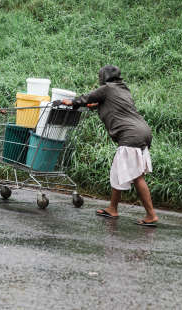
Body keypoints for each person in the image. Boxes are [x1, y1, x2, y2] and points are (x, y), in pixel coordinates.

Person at [60, 65, 158, 226]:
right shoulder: (123, 90)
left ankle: (151, 215)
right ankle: (113, 208)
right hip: (143, 131)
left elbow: (88, 97)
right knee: (118, 171)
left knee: (137, 176)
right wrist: (90, 105)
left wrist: (71, 102)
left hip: (130, 135)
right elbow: (101, 104)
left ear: (103, 78)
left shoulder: (107, 89)